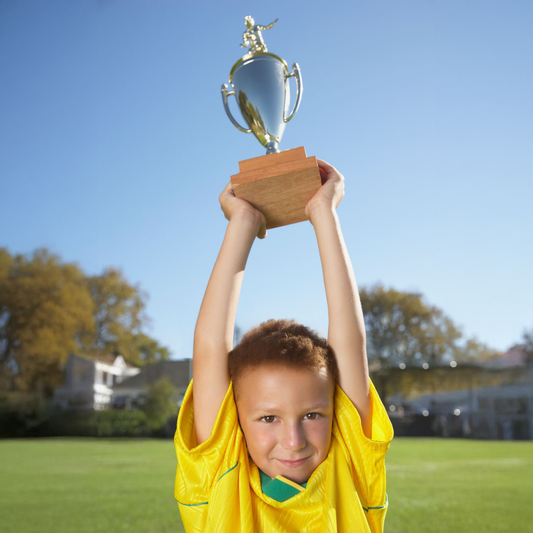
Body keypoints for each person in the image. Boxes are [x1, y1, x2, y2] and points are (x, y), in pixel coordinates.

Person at [174, 159, 393, 533]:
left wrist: (324, 213)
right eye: (268, 418)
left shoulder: (351, 469)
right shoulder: (219, 475)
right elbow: (209, 345)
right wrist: (241, 222)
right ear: (235, 421)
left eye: (312, 415)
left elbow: (350, 340)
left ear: (333, 413)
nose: (293, 442)